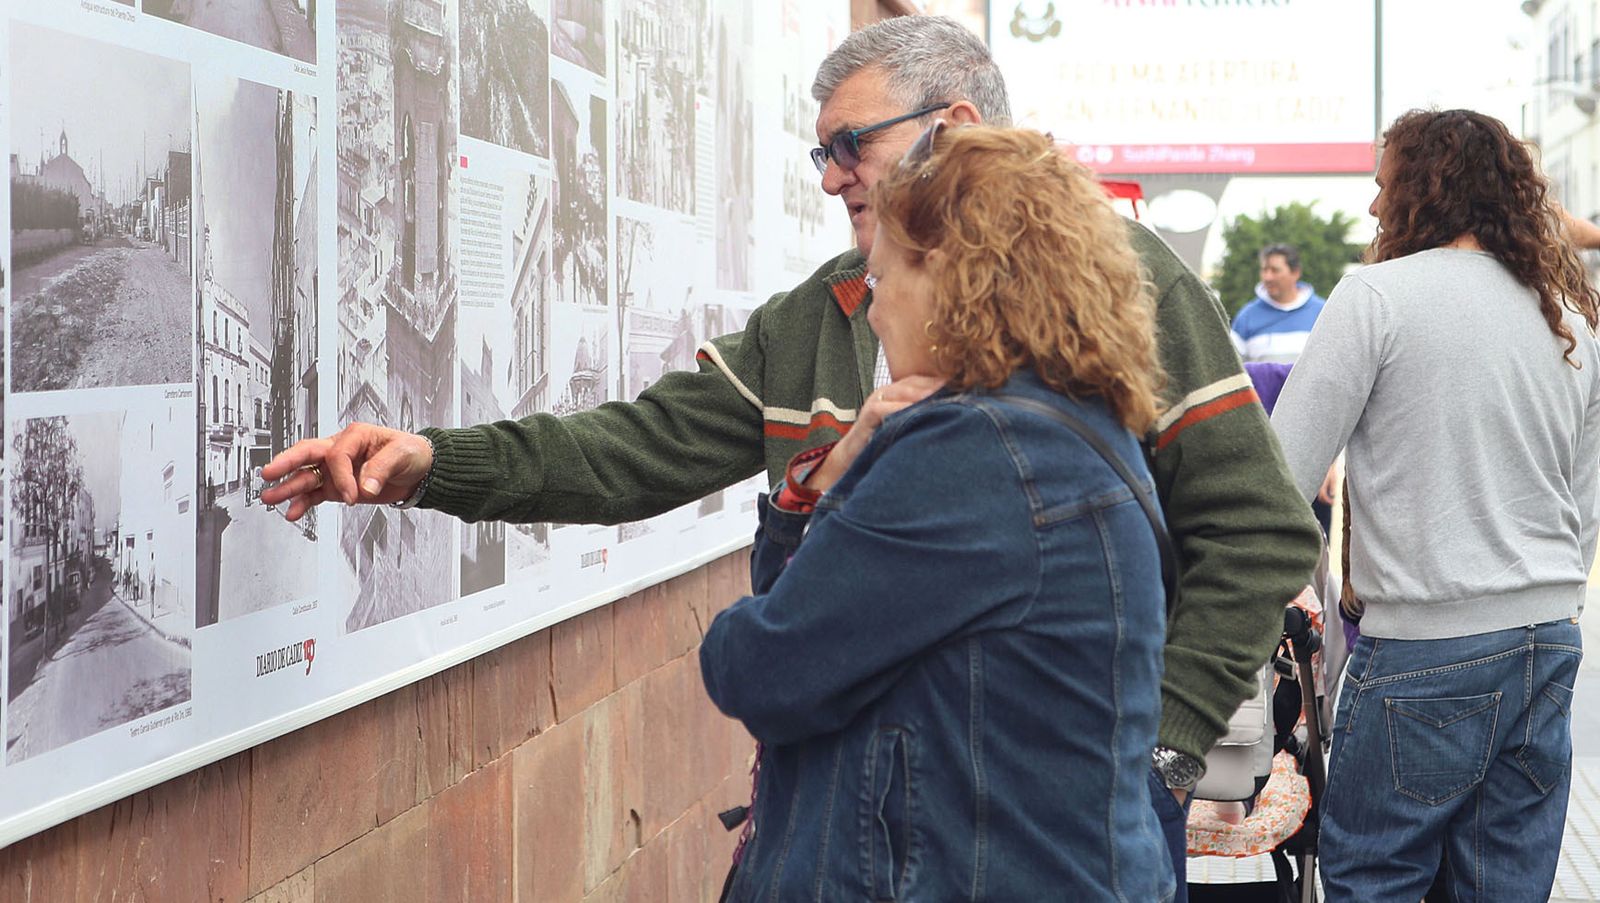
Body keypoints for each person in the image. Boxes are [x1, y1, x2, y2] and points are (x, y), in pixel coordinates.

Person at [262, 16, 1321, 892]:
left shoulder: (1114, 288)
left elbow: (1258, 527)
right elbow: (635, 446)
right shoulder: (817, 315)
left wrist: (1155, 758)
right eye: (820, 152)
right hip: (862, 840)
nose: (829, 179)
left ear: (951, 126)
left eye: (847, 145)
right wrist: (433, 463)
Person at [703, 122, 1174, 901]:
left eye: (884, 278)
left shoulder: (976, 452)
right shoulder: (1068, 423)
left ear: (955, 279)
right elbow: (813, 615)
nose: (877, 312)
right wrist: (828, 473)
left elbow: (759, 666)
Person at [1270, 108, 1600, 902]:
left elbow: (1277, 475)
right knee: (1501, 886)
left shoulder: (1376, 297)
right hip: (1547, 645)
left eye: (1385, 186)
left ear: (1426, 189)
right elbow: (1582, 506)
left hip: (1424, 648)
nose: (1375, 207)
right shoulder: (1570, 318)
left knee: (1376, 879)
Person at [1231, 243, 1338, 533]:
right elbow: (1231, 375)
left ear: (1294, 273)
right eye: (1264, 269)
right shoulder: (1246, 318)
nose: (1267, 276)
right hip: (1263, 444)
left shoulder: (1323, 313)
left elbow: (1335, 388)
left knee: (1314, 532)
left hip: (1312, 440)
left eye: (1274, 269)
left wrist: (1330, 460)